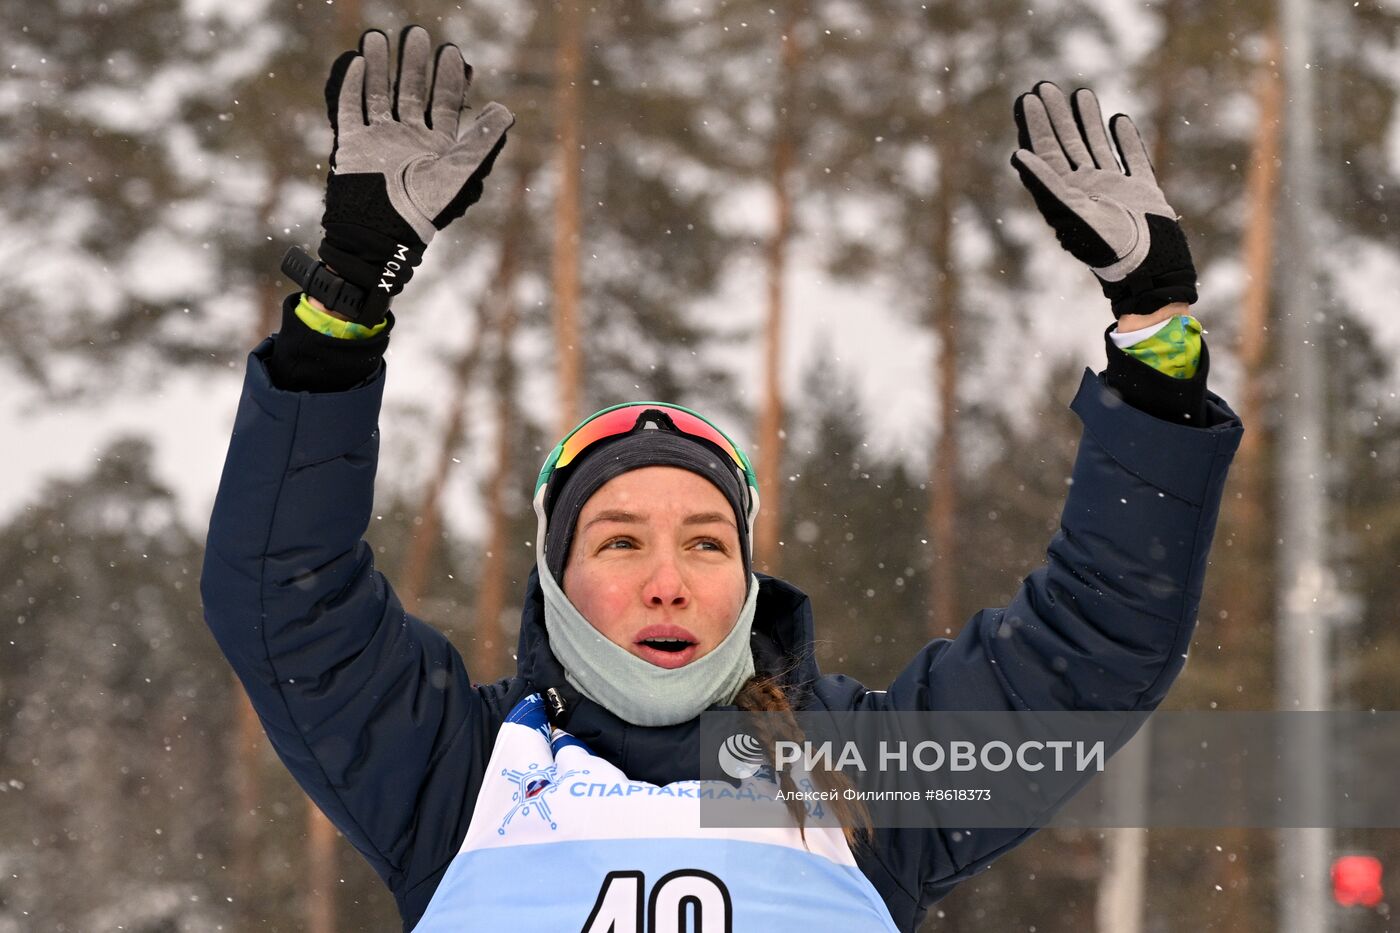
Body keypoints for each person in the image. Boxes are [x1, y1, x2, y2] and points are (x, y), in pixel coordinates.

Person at [200, 24, 1243, 932]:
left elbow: (1095, 641)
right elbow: (279, 594)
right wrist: (340, 313)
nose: (669, 579)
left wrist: (1153, 333)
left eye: (706, 541)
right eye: (618, 541)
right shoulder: (452, 772)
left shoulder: (864, 780)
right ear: (555, 580)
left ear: (745, 581)